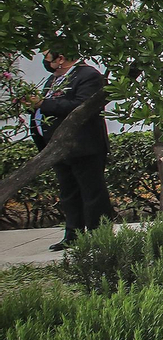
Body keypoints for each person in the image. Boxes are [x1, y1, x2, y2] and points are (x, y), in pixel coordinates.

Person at [25, 49, 113, 251]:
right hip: (57, 147)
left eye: (47, 57)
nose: (45, 62)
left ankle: (98, 235)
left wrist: (42, 104)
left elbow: (80, 106)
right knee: (68, 193)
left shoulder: (87, 76)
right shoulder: (53, 79)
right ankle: (73, 234)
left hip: (83, 146)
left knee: (92, 193)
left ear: (61, 58)